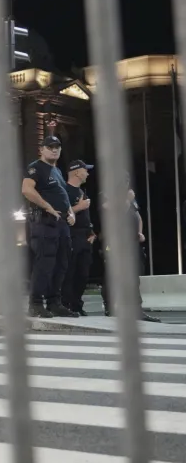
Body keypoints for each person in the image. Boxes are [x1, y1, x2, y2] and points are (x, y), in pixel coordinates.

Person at [22, 135, 75, 318]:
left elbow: (62, 194)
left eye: (57, 147)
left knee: (61, 264)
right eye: (50, 147)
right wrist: (48, 207)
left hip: (61, 223)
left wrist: (71, 212)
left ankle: (54, 303)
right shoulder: (35, 168)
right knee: (44, 263)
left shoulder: (57, 171)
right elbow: (27, 190)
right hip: (45, 222)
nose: (54, 150)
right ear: (41, 150)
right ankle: (36, 304)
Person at [99, 178, 161, 323]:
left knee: (134, 276)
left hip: (132, 242)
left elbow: (137, 216)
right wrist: (126, 200)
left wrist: (140, 232)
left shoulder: (129, 197)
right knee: (112, 274)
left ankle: (136, 309)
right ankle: (110, 306)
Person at [61, 160, 95, 316]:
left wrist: (91, 232)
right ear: (76, 172)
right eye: (85, 170)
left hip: (85, 238)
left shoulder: (81, 191)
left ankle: (77, 304)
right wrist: (79, 207)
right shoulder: (64, 191)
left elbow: (85, 217)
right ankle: (66, 303)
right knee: (70, 272)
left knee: (83, 273)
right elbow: (62, 214)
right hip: (72, 236)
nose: (87, 173)